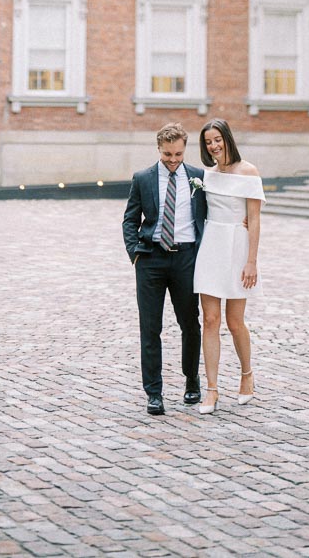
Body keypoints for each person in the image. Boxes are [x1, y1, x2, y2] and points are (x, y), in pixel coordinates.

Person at [122, 122, 207, 416]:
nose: (173, 159)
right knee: (150, 327)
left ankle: (192, 381)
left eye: (178, 154)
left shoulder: (198, 177)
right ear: (159, 148)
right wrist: (135, 253)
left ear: (185, 149)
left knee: (190, 324)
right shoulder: (143, 178)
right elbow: (130, 220)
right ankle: (154, 393)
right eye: (168, 154)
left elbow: (210, 214)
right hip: (151, 260)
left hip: (186, 259)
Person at [193, 118, 264, 415]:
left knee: (235, 322)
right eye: (209, 142)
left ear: (227, 139)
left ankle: (247, 376)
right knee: (210, 320)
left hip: (236, 247)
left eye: (218, 139)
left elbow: (255, 219)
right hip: (211, 245)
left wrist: (251, 261)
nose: (214, 145)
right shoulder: (206, 176)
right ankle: (211, 389)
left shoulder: (248, 171)